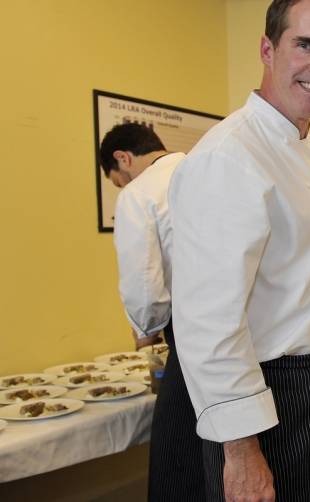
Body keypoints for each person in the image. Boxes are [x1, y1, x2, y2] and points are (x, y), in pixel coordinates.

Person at [168, 1, 310, 501]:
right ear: (267, 48)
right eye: (305, 44)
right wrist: (240, 452)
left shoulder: (307, 150)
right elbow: (209, 323)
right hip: (271, 406)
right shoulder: (229, 157)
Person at [99, 122, 205, 501]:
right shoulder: (206, 168)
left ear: (122, 158)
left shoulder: (139, 193)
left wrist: (146, 331)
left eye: (118, 180)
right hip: (253, 328)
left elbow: (143, 280)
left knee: (176, 453)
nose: (122, 186)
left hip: (192, 333)